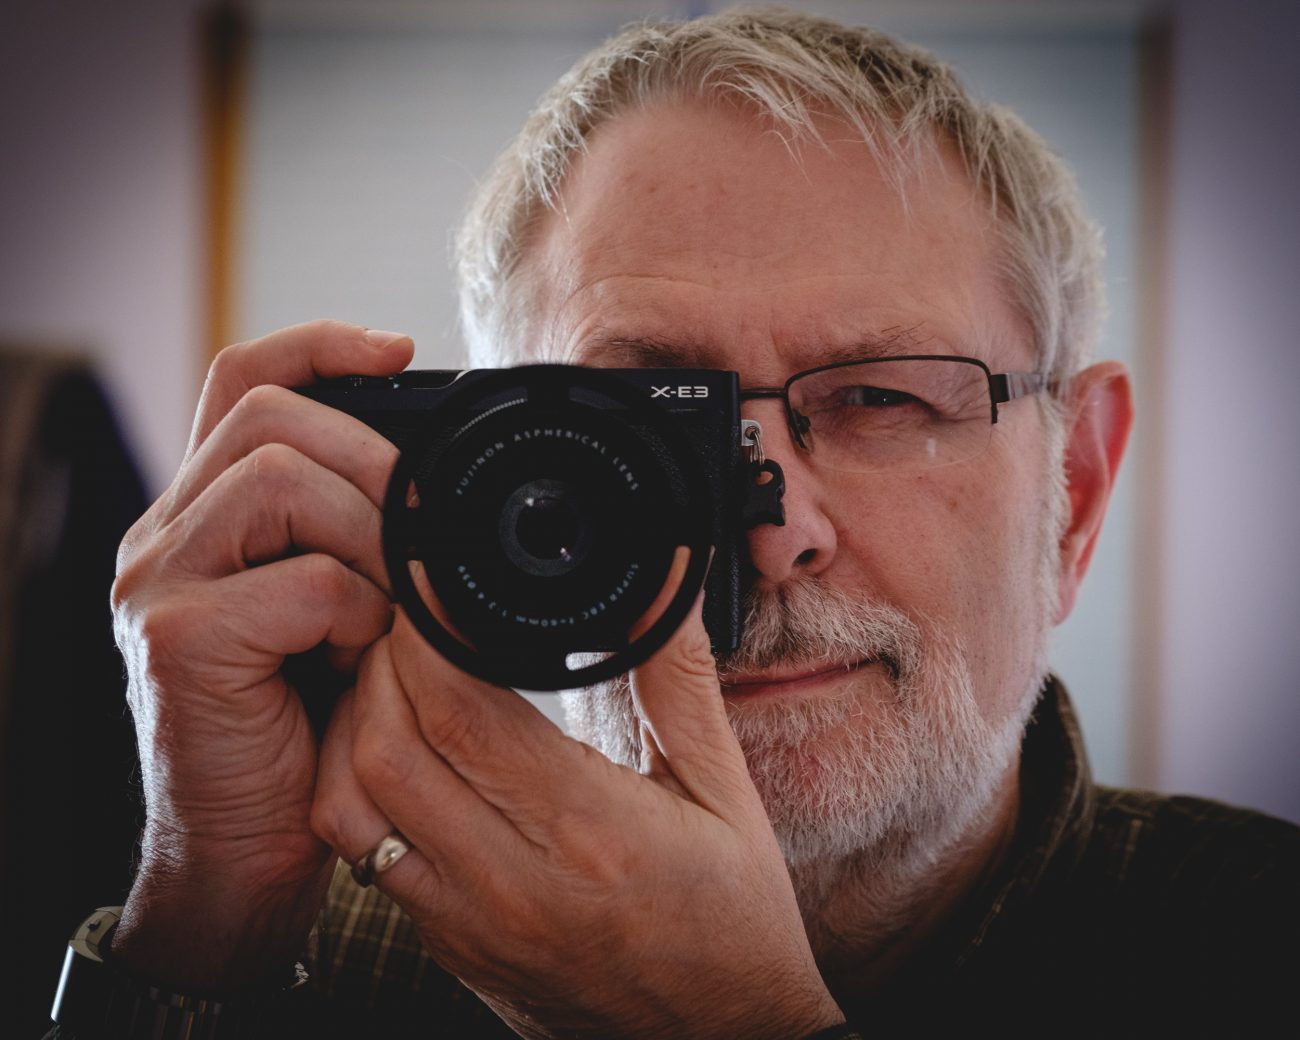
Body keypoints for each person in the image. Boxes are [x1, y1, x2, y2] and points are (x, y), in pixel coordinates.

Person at [47, 8, 1299, 1039]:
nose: (770, 529)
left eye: (880, 397)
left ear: (1072, 492)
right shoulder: (318, 961)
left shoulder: (1255, 944)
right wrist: (205, 920)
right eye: (643, 422)